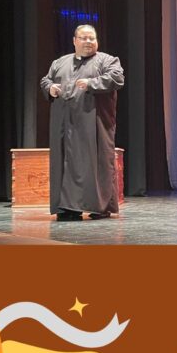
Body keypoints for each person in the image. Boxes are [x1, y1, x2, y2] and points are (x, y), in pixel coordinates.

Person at [40, 25, 124, 221]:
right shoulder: (60, 63)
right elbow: (46, 80)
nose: (88, 42)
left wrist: (91, 83)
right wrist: (50, 88)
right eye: (84, 38)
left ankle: (99, 207)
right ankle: (67, 208)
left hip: (93, 123)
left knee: (95, 163)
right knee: (65, 162)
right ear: (74, 41)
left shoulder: (107, 60)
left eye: (92, 38)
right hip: (65, 124)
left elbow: (117, 78)